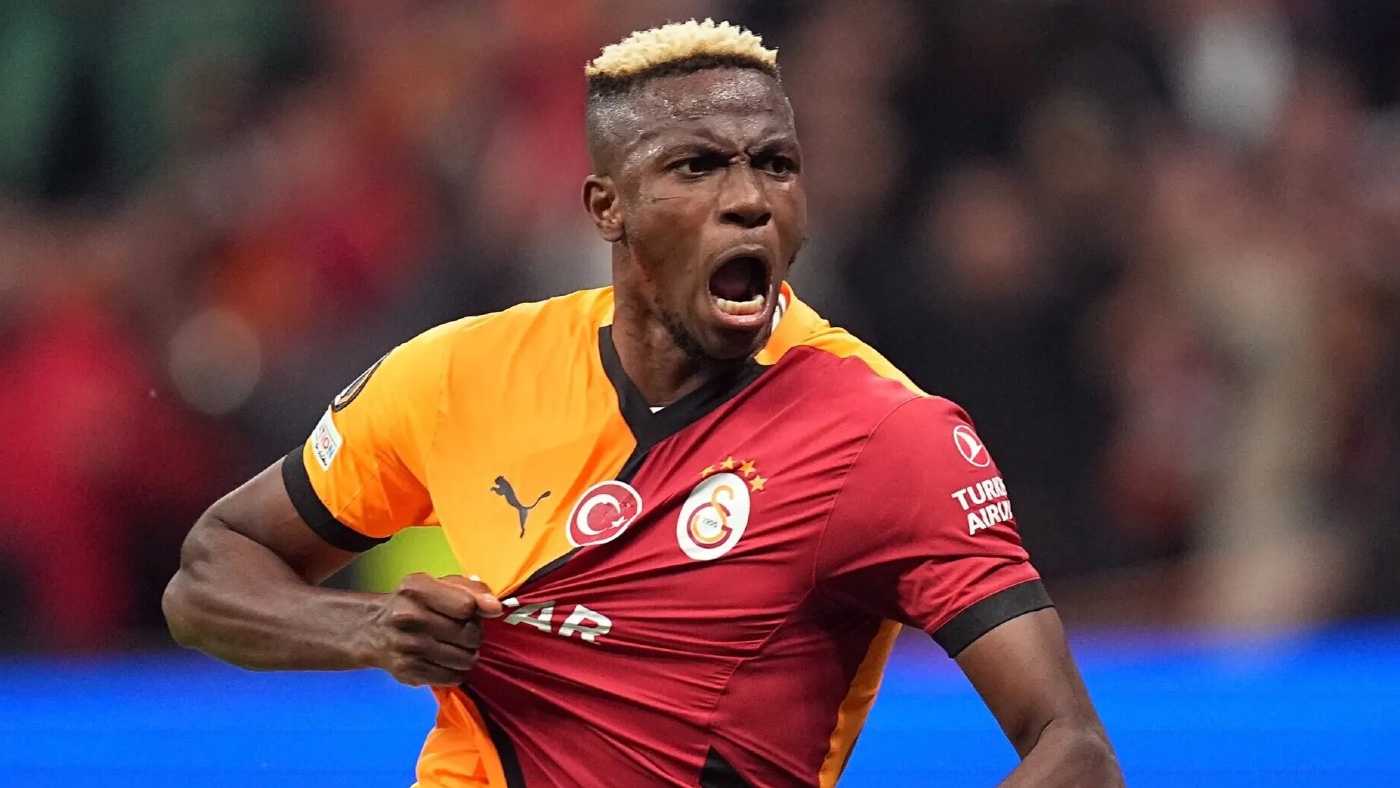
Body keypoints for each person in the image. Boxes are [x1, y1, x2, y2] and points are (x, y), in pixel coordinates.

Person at [163, 19, 1122, 788]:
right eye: (696, 166)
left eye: (776, 164)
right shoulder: (459, 375)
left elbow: (1073, 750)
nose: (750, 199)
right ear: (606, 207)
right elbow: (209, 573)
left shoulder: (886, 434)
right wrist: (367, 631)